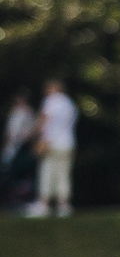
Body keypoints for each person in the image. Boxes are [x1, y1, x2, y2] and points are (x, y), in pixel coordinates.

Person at [33, 77, 78, 216]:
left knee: (47, 173)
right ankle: (64, 206)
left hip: (51, 143)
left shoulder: (51, 101)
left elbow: (43, 121)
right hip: (68, 143)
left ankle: (43, 205)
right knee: (63, 174)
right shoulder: (69, 103)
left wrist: (35, 136)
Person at [3, 90, 37, 208]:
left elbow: (30, 131)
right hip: (12, 149)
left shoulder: (28, 113)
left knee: (20, 174)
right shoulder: (14, 113)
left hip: (22, 147)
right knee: (8, 174)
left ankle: (21, 199)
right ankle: (10, 199)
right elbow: (9, 132)